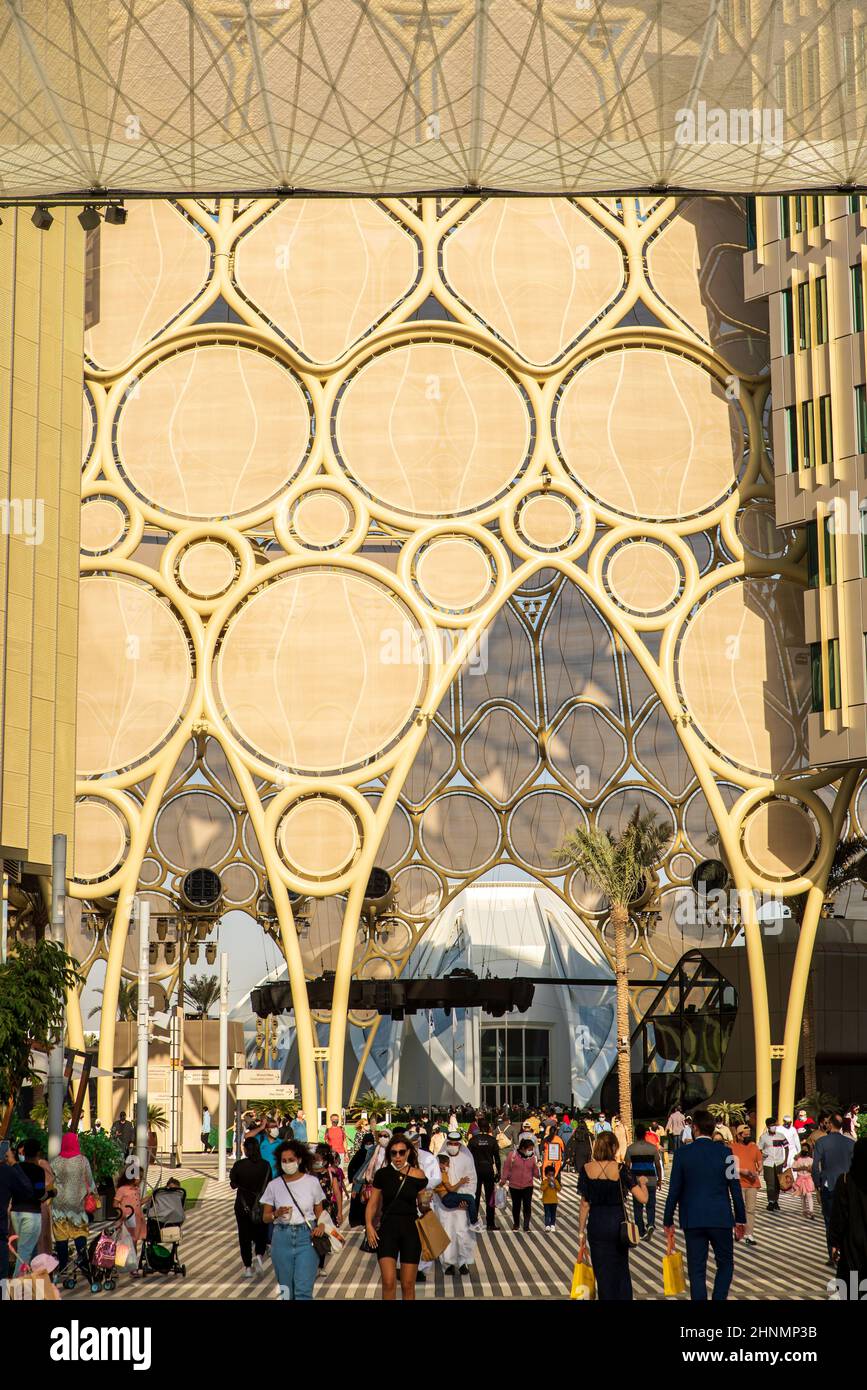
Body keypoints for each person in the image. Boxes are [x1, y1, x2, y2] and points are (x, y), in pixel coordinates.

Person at [662, 1108, 746, 1301]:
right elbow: (735, 1188)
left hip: (693, 1219)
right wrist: (740, 1219)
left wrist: (668, 1220)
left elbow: (674, 1189)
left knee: (696, 1269)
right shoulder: (727, 1153)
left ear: (695, 1128)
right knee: (725, 1264)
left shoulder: (682, 1154)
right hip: (721, 1218)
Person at [577, 1130, 647, 1300]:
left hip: (597, 1223)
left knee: (602, 1270)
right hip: (617, 1222)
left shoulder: (586, 1169)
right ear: (614, 1147)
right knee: (620, 1267)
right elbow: (643, 1198)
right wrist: (643, 1184)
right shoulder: (621, 1169)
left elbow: (585, 1204)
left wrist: (581, 1231)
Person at [260, 1139, 326, 1300]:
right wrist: (276, 1213)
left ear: (299, 1160)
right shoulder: (274, 1185)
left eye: (291, 1160)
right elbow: (265, 1218)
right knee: (286, 1292)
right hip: (282, 1238)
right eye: (284, 1161)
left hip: (306, 1237)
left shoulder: (311, 1182)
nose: (288, 1163)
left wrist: (321, 1225)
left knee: (303, 1291)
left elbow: (319, 1209)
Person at [365, 1134, 427, 1301]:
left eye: (401, 1152)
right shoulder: (382, 1174)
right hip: (387, 1230)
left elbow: (422, 1205)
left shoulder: (418, 1175)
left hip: (410, 1230)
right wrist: (369, 1226)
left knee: (408, 1284)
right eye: (394, 1153)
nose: (398, 1156)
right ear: (389, 1154)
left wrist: (426, 1202)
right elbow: (372, 1204)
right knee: (388, 1282)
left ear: (408, 1152)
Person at [51, 1132, 97, 1277]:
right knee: (79, 1233)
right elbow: (89, 1181)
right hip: (77, 1204)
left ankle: (63, 1267)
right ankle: (83, 1265)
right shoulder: (83, 1161)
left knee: (61, 1237)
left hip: (59, 1205)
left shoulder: (55, 1162)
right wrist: (93, 1193)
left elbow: (51, 1182)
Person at [814, 1112, 855, 1265]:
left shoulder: (822, 1142)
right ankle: (845, 1253)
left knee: (829, 1221)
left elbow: (815, 1166)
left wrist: (817, 1185)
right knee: (847, 1219)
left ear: (829, 1124)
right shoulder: (851, 1143)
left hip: (828, 1186)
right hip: (847, 1186)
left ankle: (832, 1254)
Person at [830, 1136, 867, 1294]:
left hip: (852, 1244)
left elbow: (838, 1216)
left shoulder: (845, 1180)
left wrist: (834, 1242)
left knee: (852, 1290)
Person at [230, 1137, 271, 1278]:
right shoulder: (266, 1165)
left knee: (244, 1236)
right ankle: (259, 1255)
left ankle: (247, 1267)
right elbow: (269, 1184)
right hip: (261, 1204)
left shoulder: (239, 1165)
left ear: (246, 1150)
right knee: (261, 1231)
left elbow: (233, 1184)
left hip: (242, 1206)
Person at [8, 1138, 44, 1274]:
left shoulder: (16, 1168)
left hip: (16, 1212)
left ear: (23, 1151)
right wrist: (51, 1193)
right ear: (38, 1153)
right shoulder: (38, 1171)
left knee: (29, 1248)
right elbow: (40, 1193)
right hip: (32, 1214)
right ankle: (17, 1287)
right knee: (24, 1252)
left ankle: (32, 1283)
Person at [624, 1122, 663, 1237]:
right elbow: (657, 1165)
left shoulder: (631, 1149)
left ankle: (640, 1229)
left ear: (636, 1134)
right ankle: (650, 1223)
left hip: (636, 1180)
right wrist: (659, 1180)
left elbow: (627, 1167)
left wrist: (627, 1183)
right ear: (645, 1135)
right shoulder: (652, 1148)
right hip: (650, 1179)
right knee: (651, 1204)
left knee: (638, 1206)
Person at [729, 1123, 763, 1246]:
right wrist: (743, 1171)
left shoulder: (754, 1148)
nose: (748, 1136)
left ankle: (749, 1234)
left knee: (751, 1209)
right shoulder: (732, 1147)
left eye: (749, 1134)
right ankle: (738, 1229)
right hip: (738, 1182)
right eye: (745, 1134)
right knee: (739, 1208)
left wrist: (758, 1170)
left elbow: (760, 1163)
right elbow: (730, 1166)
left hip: (752, 1183)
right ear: (738, 1135)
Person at [500, 1136, 540, 1232]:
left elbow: (534, 1171)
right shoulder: (512, 1155)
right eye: (529, 1149)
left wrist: (539, 1173)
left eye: (532, 1149)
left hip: (528, 1185)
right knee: (516, 1206)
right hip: (514, 1186)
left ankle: (526, 1226)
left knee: (527, 1206)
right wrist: (503, 1179)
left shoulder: (532, 1157)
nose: (531, 1151)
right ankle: (516, 1224)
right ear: (523, 1148)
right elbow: (506, 1168)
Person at [467, 1118, 501, 1231]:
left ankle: (474, 1221)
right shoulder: (492, 1140)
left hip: (476, 1169)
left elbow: (468, 1156)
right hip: (488, 1169)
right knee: (490, 1197)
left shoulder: (473, 1140)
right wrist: (499, 1172)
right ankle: (490, 1223)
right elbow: (497, 1158)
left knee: (475, 1196)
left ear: (478, 1127)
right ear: (488, 1127)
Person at [434, 1153, 480, 1227]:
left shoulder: (437, 1174)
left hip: (448, 1197)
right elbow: (451, 1189)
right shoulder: (442, 1174)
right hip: (447, 1198)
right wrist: (461, 1182)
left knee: (467, 1200)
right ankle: (474, 1222)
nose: (448, 1166)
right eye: (447, 1164)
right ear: (440, 1164)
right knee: (471, 1198)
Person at [113, 1163, 147, 1259]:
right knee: (123, 1241)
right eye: (139, 1177)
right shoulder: (122, 1190)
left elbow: (138, 1203)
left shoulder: (137, 1190)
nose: (140, 1180)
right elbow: (115, 1204)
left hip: (136, 1219)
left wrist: (149, 1197)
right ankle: (121, 1263)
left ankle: (132, 1264)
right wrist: (121, 1214)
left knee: (134, 1241)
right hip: (126, 1219)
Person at [758, 1117, 789, 1211]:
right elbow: (759, 1150)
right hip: (768, 1163)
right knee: (770, 1182)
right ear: (767, 1126)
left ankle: (776, 1201)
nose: (774, 1127)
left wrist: (786, 1160)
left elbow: (786, 1147)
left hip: (779, 1162)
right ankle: (770, 1202)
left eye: (774, 1125)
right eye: (771, 1125)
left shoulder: (781, 1135)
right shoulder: (763, 1137)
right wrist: (762, 1158)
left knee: (778, 1183)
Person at [792, 1143, 816, 1219]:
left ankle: (811, 1211)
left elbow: (814, 1170)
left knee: (809, 1194)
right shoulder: (798, 1159)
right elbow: (794, 1168)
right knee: (803, 1196)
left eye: (806, 1149)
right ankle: (804, 1210)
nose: (804, 1150)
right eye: (803, 1149)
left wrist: (809, 1169)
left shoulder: (811, 1160)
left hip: (808, 1179)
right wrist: (802, 1168)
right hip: (801, 1179)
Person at [541, 1164, 561, 1232]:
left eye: (552, 1175)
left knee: (553, 1214)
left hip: (554, 1201)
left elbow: (559, 1189)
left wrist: (554, 1184)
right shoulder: (544, 1181)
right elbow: (542, 1189)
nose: (551, 1177)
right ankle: (547, 1225)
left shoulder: (555, 1181)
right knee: (547, 1213)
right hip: (546, 1201)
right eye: (549, 1175)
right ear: (546, 1175)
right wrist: (547, 1184)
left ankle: (552, 1225)